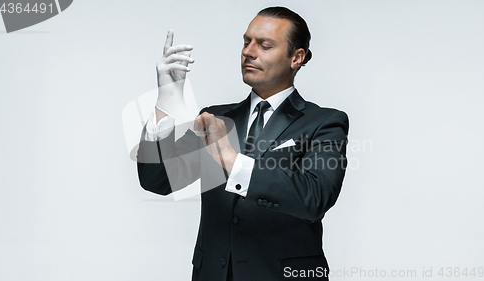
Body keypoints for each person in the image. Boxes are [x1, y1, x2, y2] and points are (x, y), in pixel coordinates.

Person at [136, 6, 349, 281]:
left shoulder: (325, 122)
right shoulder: (216, 117)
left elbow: (314, 198)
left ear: (296, 57)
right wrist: (165, 103)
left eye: (265, 45)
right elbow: (157, 181)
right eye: (246, 41)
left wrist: (232, 161)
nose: (249, 51)